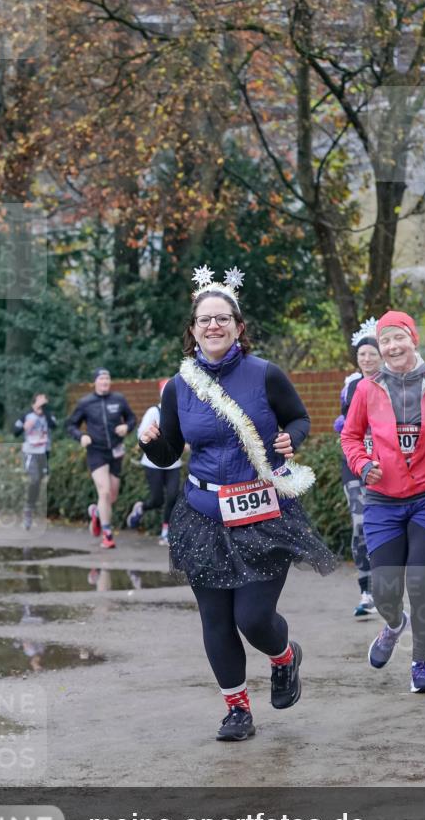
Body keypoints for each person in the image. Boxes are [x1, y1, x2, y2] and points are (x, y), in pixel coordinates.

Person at [139, 265, 334, 742]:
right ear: (192, 330)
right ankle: (237, 710)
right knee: (216, 619)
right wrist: (150, 443)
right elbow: (169, 452)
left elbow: (299, 418)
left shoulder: (265, 374)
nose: (213, 326)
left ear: (238, 325)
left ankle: (285, 657)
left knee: (252, 618)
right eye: (204, 320)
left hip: (262, 513)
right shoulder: (180, 387)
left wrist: (291, 438)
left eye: (222, 318)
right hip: (204, 515)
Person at [340, 310, 425, 694]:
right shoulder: (368, 389)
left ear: (413, 339)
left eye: (399, 337)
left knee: (421, 583)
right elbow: (350, 437)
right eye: (385, 341)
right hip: (383, 501)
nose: (392, 346)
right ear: (379, 347)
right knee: (384, 589)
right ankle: (394, 624)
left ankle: (421, 665)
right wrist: (363, 464)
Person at [333, 319, 382, 617]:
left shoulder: (393, 381)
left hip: (385, 463)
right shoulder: (351, 384)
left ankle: (390, 585)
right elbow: (344, 424)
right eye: (362, 354)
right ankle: (367, 592)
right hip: (353, 462)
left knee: (385, 526)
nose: (366, 358)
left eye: (371, 354)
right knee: (360, 523)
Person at [66, 368, 136, 549]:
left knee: (111, 496)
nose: (105, 382)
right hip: (96, 451)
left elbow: (131, 418)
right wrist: (81, 436)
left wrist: (126, 428)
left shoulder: (118, 399)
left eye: (107, 378)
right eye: (101, 379)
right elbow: (71, 425)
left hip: (116, 450)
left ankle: (97, 512)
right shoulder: (85, 403)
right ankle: (107, 534)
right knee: (104, 492)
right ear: (95, 382)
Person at [126, 379, 182, 545]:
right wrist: (155, 439)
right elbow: (141, 436)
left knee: (173, 496)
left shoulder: (182, 412)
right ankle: (141, 507)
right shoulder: (153, 412)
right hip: (153, 463)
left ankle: (166, 532)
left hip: (174, 463)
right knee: (157, 500)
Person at [13, 393, 57, 530]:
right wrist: (24, 427)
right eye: (40, 399)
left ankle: (31, 505)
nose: (44, 401)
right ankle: (28, 509)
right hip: (30, 452)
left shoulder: (48, 414)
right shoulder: (26, 415)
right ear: (34, 403)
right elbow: (14, 431)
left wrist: (45, 412)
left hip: (44, 452)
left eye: (45, 399)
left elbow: (54, 425)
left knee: (39, 481)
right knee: (34, 479)